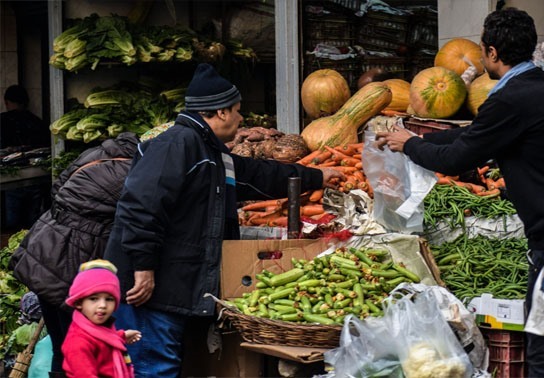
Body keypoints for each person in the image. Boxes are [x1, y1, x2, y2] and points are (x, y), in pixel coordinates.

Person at [375, 8, 544, 378]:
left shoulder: (510, 99)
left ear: (491, 53)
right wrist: (418, 138)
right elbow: (475, 135)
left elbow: (459, 157)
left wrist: (410, 146)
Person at [103, 63, 345, 377]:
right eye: (237, 111)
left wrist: (316, 175)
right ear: (220, 113)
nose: (241, 118)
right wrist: (143, 266)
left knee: (164, 363)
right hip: (151, 288)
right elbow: (139, 208)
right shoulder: (176, 145)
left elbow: (259, 174)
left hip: (172, 283)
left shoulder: (211, 152)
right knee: (153, 366)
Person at [9, 132, 139, 378]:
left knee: (63, 348)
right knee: (82, 349)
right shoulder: (131, 173)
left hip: (44, 249)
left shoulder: (96, 154)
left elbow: (57, 188)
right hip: (68, 262)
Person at [62, 259, 141, 378]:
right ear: (79, 303)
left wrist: (121, 336)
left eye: (109, 299)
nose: (103, 305)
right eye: (94, 299)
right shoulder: (78, 342)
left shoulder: (97, 328)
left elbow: (103, 341)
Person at [1, 84, 51, 230]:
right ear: (26, 102)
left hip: (11, 180)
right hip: (36, 178)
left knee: (11, 227)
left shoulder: (2, 121)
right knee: (33, 226)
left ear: (6, 102)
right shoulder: (37, 122)